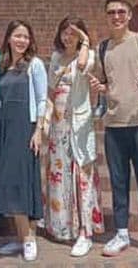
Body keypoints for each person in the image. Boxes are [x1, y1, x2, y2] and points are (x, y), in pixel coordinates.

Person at [88, 0, 138, 261]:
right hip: (114, 124)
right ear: (107, 16)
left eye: (121, 11)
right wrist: (100, 89)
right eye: (112, 12)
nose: (117, 16)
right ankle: (121, 232)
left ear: (130, 15)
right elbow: (105, 84)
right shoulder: (103, 49)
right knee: (118, 182)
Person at [43, 16, 104, 257]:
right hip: (58, 124)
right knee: (60, 174)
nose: (68, 37)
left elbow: (81, 67)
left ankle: (84, 231)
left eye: (73, 33)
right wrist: (45, 124)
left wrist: (87, 41)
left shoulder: (88, 55)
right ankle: (61, 225)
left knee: (82, 172)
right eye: (65, 32)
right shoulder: (56, 57)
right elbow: (49, 92)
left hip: (78, 122)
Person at [0, 20, 47, 262]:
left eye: (25, 36)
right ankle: (22, 236)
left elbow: (43, 98)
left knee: (21, 179)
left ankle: (29, 238)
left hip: (26, 127)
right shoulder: (2, 65)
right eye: (17, 36)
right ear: (9, 38)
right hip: (5, 128)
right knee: (8, 179)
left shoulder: (35, 65)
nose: (22, 40)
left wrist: (38, 131)